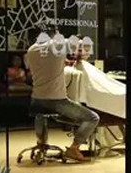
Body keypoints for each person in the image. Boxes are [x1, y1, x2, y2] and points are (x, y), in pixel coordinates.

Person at [24, 34, 99, 163]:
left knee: (40, 114)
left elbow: (45, 65)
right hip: (56, 100)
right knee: (92, 118)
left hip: (37, 99)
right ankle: (74, 148)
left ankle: (41, 143)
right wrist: (80, 55)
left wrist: (62, 62)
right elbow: (81, 43)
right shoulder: (58, 45)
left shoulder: (31, 50)